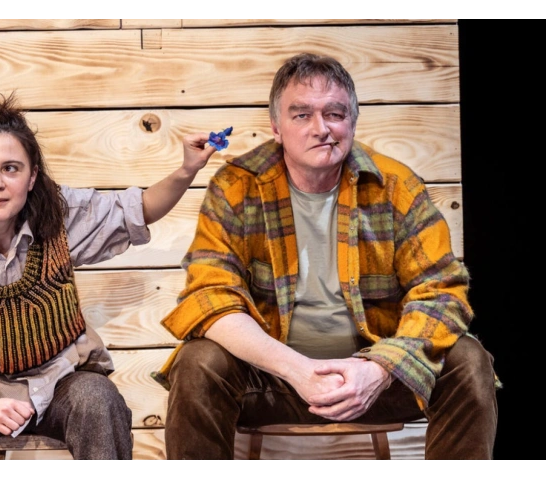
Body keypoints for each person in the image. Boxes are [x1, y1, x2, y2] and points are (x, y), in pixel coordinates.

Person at [155, 52, 500, 461]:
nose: (321, 128)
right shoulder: (235, 187)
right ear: (276, 127)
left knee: (468, 360)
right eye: (301, 115)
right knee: (197, 361)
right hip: (272, 381)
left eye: (335, 113)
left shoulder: (396, 186)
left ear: (351, 122)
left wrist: (380, 368)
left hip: (374, 381)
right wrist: (297, 370)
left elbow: (441, 292)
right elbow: (210, 296)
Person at [0, 93, 215, 461]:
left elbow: (138, 210)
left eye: (11, 168)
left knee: (98, 398)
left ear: (32, 177)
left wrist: (187, 170)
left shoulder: (60, 216)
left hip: (62, 382)